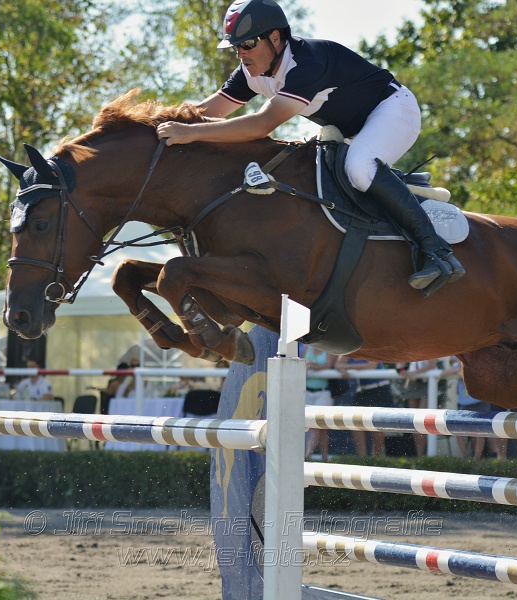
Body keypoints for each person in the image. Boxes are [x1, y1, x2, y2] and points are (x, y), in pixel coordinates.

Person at [156, 0, 464, 295]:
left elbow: (262, 125)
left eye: (247, 44)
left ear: (275, 38)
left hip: (392, 111)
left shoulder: (307, 63)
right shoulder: (252, 72)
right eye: (236, 47)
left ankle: (437, 252)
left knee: (359, 167)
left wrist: (190, 133)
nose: (241, 54)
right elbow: (209, 111)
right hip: (351, 131)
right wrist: (153, 122)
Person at [334, 356, 393, 457]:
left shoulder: (372, 347)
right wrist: (343, 369)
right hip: (363, 390)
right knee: (355, 421)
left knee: (376, 425)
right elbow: (337, 365)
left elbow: (371, 366)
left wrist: (347, 368)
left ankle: (377, 458)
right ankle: (362, 458)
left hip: (379, 388)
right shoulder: (350, 347)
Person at [302, 344, 335, 461]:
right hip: (307, 391)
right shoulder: (307, 347)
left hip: (323, 392)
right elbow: (300, 365)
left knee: (315, 425)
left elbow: (329, 366)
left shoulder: (330, 348)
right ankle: (325, 458)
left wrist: (314, 366)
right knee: (321, 428)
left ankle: (307, 456)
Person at [399, 359, 438, 456]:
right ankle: (419, 456)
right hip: (412, 382)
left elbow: (432, 364)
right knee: (415, 422)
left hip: (426, 382)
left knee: (422, 421)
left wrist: (414, 373)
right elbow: (400, 363)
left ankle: (423, 455)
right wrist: (401, 370)